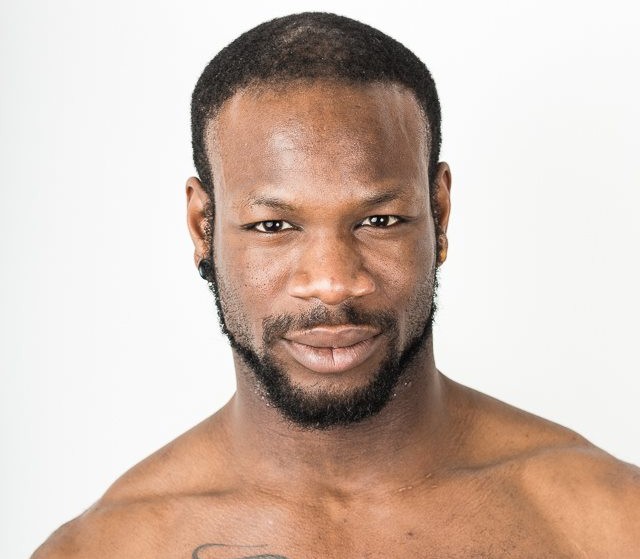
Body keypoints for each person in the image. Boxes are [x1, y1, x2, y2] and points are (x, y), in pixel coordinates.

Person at [32, 12, 640, 559]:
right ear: (203, 226)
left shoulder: (610, 523)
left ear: (439, 213)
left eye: (380, 221)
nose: (332, 283)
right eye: (273, 226)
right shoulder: (103, 549)